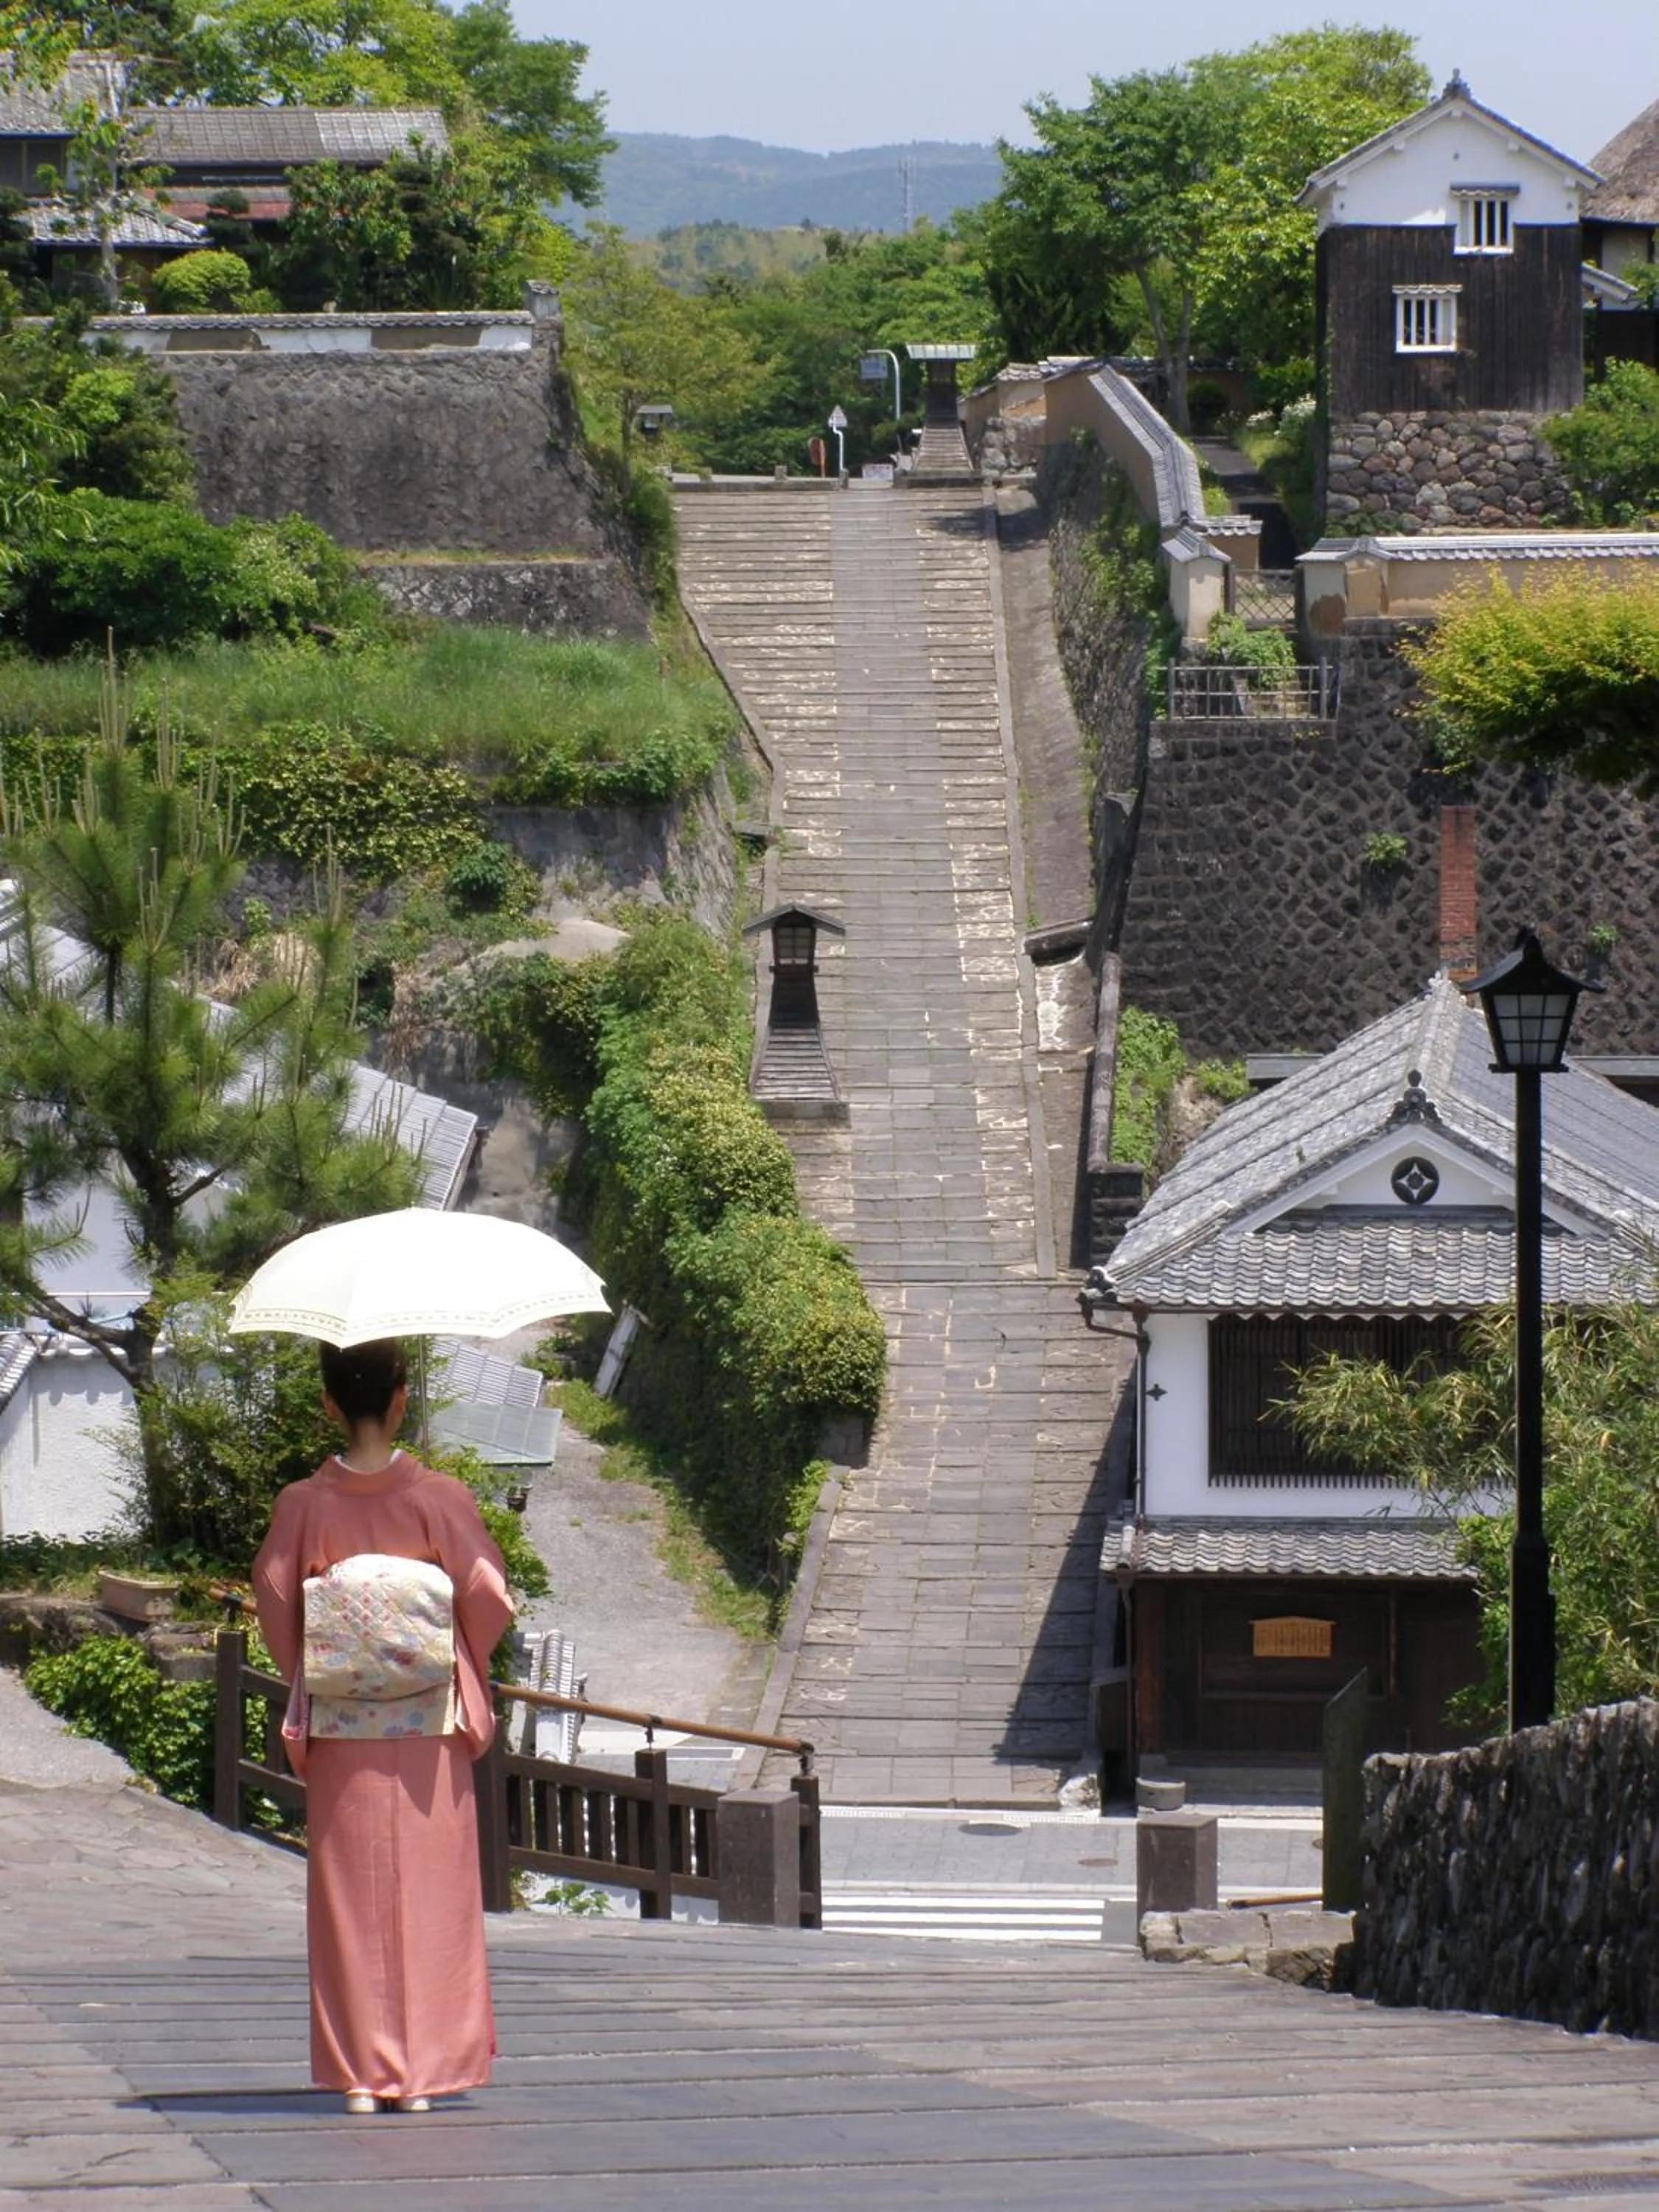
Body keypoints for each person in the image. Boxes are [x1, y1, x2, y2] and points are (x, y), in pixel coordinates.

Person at [252, 1338, 513, 2115]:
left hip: (341, 1724)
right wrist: (433, 1650)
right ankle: (425, 2075)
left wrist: (333, 1659)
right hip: (426, 1723)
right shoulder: (440, 1498)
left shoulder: (303, 1504)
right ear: (402, 1399)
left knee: (348, 1898)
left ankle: (361, 2075)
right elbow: (488, 1596)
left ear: (328, 1403)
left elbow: (274, 1601)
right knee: (433, 1897)